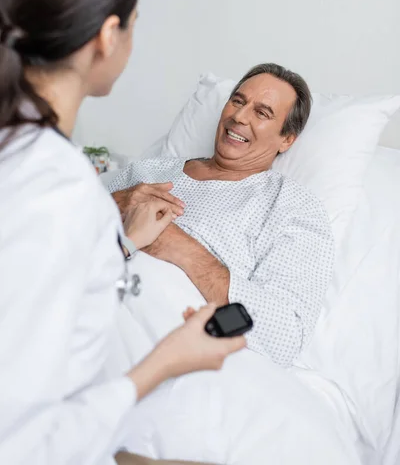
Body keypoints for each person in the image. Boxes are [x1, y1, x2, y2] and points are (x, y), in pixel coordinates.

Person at [0, 0, 245, 465]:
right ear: (108, 35)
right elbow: (20, 441)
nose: (241, 118)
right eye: (133, 25)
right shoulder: (56, 188)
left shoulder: (23, 151)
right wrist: (169, 361)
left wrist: (122, 246)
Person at [109, 64, 335, 367]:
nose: (239, 117)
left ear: (287, 140)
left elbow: (284, 336)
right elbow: (55, 221)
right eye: (238, 101)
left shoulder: (290, 206)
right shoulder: (149, 172)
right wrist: (116, 201)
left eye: (262, 113)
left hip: (157, 335)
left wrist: (181, 248)